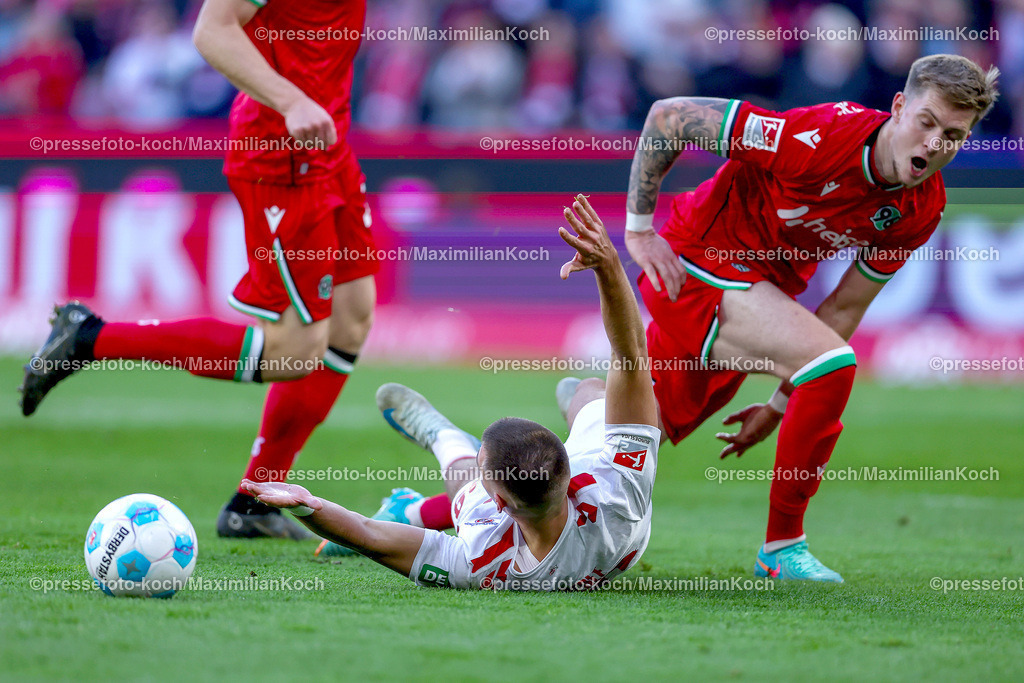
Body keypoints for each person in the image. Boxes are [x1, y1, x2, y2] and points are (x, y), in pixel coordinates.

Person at [620, 53, 999, 581]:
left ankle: (538, 440)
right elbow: (670, 115)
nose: (934, 144)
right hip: (695, 265)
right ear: (898, 107)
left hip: (757, 296)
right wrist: (639, 230)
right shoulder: (817, 138)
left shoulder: (921, 208)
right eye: (926, 122)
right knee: (833, 365)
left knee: (635, 436)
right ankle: (781, 547)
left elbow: (844, 306)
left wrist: (780, 403)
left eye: (952, 137)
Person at [19, 0, 377, 540]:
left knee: (352, 317)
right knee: (295, 352)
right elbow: (212, 30)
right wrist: (292, 99)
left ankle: (253, 504)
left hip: (330, 146)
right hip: (281, 157)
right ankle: (90, 338)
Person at [244, 194, 662, 590]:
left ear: (498, 502)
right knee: (592, 390)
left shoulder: (485, 557)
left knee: (464, 484)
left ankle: (443, 438)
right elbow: (630, 354)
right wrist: (609, 266)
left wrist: (305, 503)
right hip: (607, 502)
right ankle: (577, 405)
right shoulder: (619, 482)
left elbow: (372, 536)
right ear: (570, 471)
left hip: (532, 500)